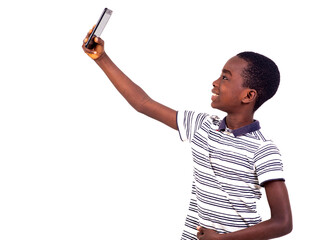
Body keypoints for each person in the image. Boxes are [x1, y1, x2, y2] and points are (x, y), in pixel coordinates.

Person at [82, 27, 292, 240]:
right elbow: (143, 103)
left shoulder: (263, 149)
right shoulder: (202, 126)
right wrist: (102, 58)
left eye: (225, 78)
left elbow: (283, 222)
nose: (215, 82)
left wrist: (220, 239)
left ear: (248, 96)